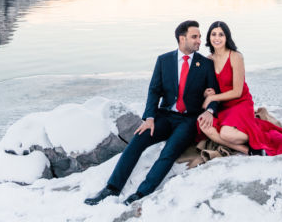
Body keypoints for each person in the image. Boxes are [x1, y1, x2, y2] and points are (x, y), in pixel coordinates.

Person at [85, 20, 219, 206]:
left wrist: (210, 110)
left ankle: (141, 193)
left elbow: (215, 92)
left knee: (169, 152)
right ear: (182, 38)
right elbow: (154, 90)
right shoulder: (164, 60)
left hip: (188, 120)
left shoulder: (204, 64)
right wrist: (149, 118)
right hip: (164, 116)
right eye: (194, 36)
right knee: (137, 140)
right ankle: (112, 188)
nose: (199, 40)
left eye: (199, 36)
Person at [198, 20, 282, 156]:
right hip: (223, 106)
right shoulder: (208, 60)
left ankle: (255, 134)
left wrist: (213, 97)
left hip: (240, 103)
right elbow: (209, 87)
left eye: (221, 35)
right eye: (213, 34)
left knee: (226, 133)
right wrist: (207, 93)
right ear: (209, 37)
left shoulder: (235, 57)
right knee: (204, 126)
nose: (217, 38)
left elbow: (237, 92)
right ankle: (249, 150)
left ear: (227, 37)